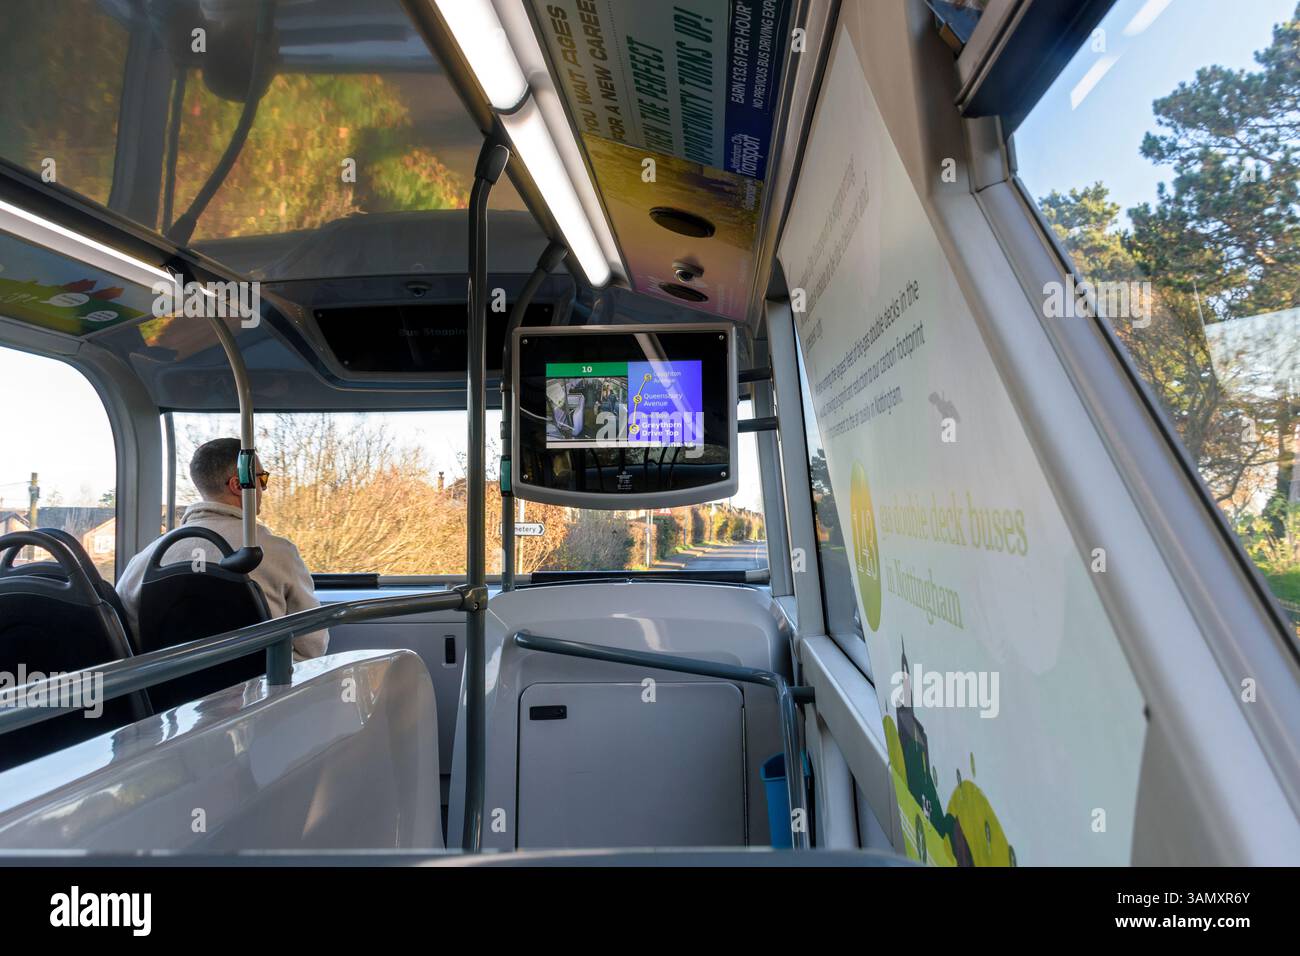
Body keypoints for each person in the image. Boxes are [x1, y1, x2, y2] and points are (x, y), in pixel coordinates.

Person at [116, 437, 328, 660]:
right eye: (262, 479)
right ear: (238, 485)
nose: (263, 488)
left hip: (170, 691)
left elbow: (129, 640)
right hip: (261, 691)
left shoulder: (145, 560)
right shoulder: (278, 552)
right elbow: (312, 646)